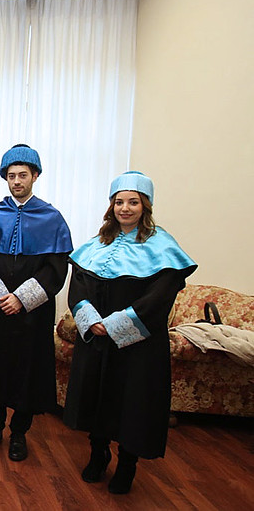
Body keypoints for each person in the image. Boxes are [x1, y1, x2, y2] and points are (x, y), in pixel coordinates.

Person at [64, 171, 196, 494]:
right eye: (119, 202)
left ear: (145, 206)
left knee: (130, 404)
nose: (125, 208)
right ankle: (98, 454)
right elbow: (78, 285)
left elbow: (160, 296)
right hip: (96, 339)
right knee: (96, 397)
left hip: (138, 345)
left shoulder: (162, 245)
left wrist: (115, 325)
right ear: (111, 206)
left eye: (133, 202)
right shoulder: (97, 243)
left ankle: (126, 465)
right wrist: (91, 321)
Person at [0, 144, 72, 461]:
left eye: (23, 175)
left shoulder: (51, 219)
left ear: (35, 176)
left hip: (31, 313)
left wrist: (22, 299)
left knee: (26, 371)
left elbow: (55, 269)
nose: (17, 181)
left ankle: (19, 433)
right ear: (5, 178)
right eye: (11, 176)